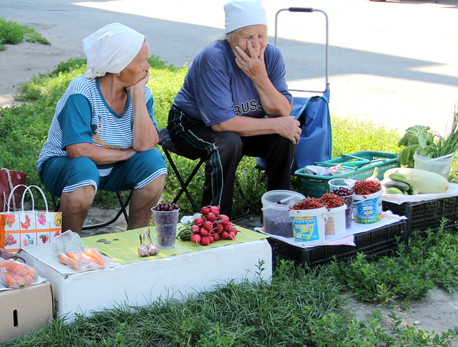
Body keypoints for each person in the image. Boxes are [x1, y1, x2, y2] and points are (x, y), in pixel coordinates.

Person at [166, 0, 301, 217]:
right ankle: (216, 219)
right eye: (248, 37)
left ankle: (280, 211)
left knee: (284, 136)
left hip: (242, 123)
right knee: (228, 142)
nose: (256, 44)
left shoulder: (272, 56)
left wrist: (259, 76)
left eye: (261, 36)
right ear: (230, 36)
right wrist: (276, 124)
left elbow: (282, 112)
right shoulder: (214, 57)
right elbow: (222, 123)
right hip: (191, 124)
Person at [36, 22, 167, 235]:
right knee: (84, 168)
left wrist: (137, 95)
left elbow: (145, 145)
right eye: (142, 61)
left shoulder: (143, 93)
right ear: (119, 65)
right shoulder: (82, 90)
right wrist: (125, 154)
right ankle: (70, 245)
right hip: (64, 167)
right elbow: (78, 150)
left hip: (112, 169)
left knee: (154, 163)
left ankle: (136, 239)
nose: (148, 67)